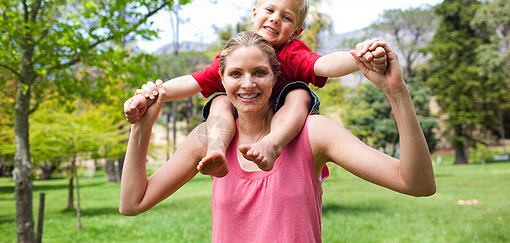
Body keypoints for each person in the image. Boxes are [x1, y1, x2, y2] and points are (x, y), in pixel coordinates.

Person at [119, 31, 436, 242]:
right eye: (235, 74)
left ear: (276, 76)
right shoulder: (209, 138)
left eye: (259, 72)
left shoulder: (313, 132)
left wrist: (397, 94)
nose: (247, 84)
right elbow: (133, 203)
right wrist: (142, 127)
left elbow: (417, 183)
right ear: (221, 80)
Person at [124, 0, 387, 177]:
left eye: (286, 17)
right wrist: (156, 93)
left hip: (282, 121)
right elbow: (194, 81)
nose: (274, 19)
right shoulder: (237, 54)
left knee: (299, 94)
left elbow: (324, 64)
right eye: (269, 11)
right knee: (219, 102)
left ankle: (272, 144)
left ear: (296, 31)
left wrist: (357, 58)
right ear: (254, 14)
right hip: (246, 117)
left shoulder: (293, 53)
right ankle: (215, 150)